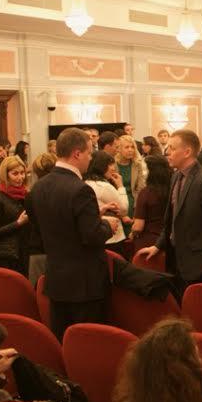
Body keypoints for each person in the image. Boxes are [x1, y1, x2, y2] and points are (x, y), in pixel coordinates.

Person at [30, 128, 118, 336]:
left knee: (64, 340)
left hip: (56, 278)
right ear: (77, 154)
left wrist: (94, 215)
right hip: (85, 283)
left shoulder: (39, 187)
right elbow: (92, 235)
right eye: (89, 152)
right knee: (89, 342)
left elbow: (48, 226)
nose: (91, 158)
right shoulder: (80, 189)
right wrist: (108, 226)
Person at [137, 130, 202, 299]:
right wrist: (158, 245)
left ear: (187, 152)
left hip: (198, 263)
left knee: (196, 307)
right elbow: (172, 218)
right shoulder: (176, 176)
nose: (167, 152)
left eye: (172, 148)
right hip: (175, 259)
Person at [0, 155, 30, 274]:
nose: (20, 177)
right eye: (15, 174)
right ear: (5, 175)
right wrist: (18, 223)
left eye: (22, 173)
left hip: (25, 250)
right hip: (7, 255)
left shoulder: (26, 194)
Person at [86, 151, 131, 253]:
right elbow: (123, 209)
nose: (113, 168)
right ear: (100, 166)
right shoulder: (103, 186)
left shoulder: (86, 182)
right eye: (110, 165)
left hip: (98, 236)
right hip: (112, 237)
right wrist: (120, 186)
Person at [24, 153, 56, 288]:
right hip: (58, 249)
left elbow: (33, 220)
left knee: (38, 290)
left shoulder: (31, 195)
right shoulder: (62, 191)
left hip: (37, 247)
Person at [130, 155, 170, 250]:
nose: (143, 173)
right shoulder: (173, 189)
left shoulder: (145, 193)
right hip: (168, 239)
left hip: (149, 241)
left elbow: (138, 227)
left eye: (144, 169)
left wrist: (132, 232)